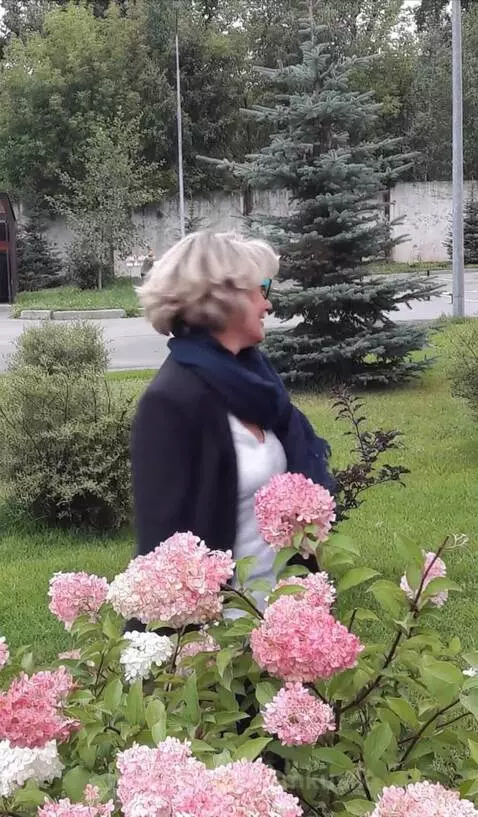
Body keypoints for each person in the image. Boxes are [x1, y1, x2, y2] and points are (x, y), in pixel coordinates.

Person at [131, 231, 334, 603]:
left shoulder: (256, 384)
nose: (267, 305)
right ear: (225, 298)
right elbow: (161, 551)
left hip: (284, 617)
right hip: (222, 640)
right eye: (262, 289)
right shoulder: (170, 402)